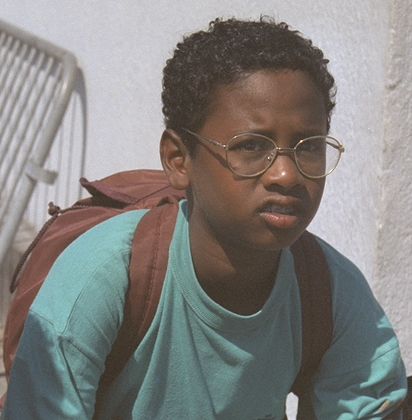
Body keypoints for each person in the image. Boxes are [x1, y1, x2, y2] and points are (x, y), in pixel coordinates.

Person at [2, 17, 407, 419]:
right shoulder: (103, 279)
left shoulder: (329, 290)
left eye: (308, 147)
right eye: (251, 146)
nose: (286, 175)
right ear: (179, 160)